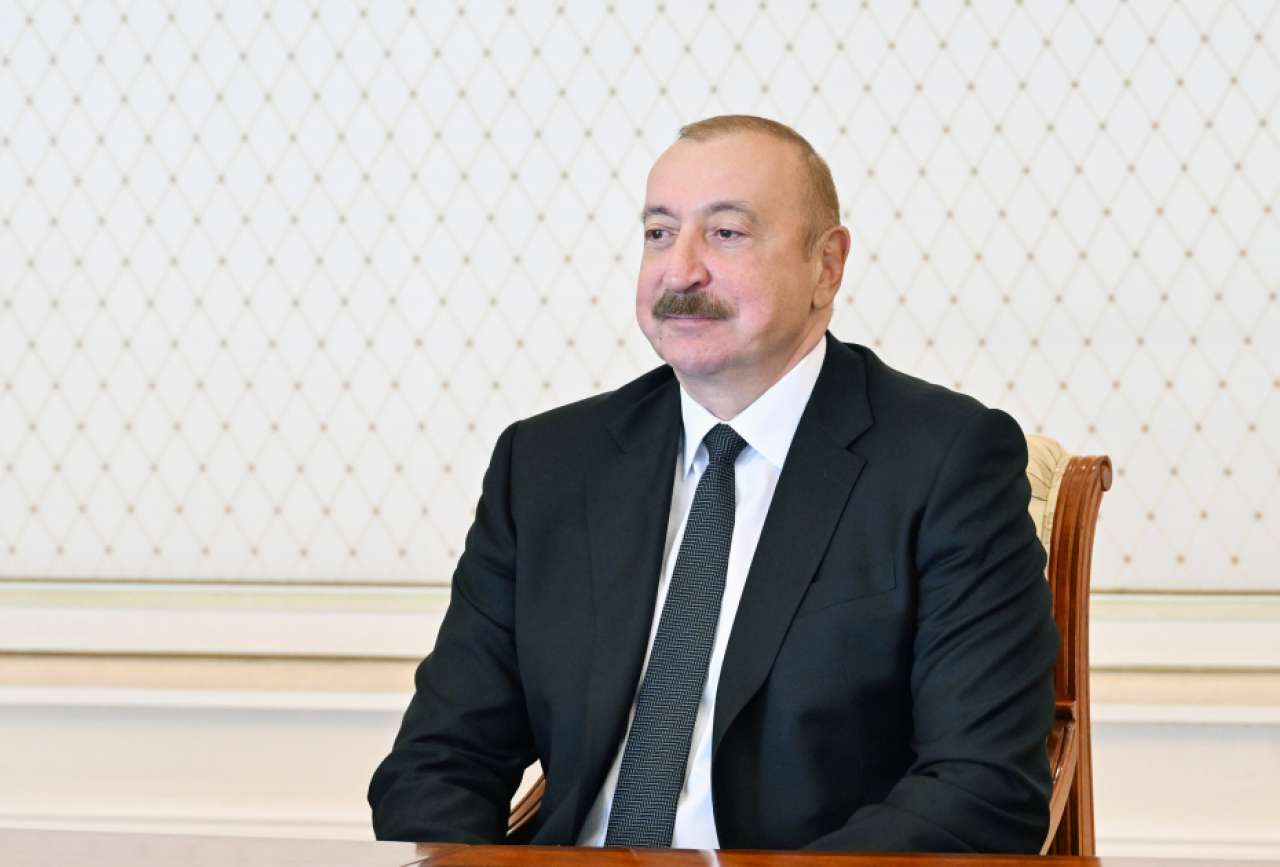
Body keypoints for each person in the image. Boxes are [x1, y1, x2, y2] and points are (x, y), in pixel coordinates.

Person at [368, 115, 1058, 853]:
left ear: (827, 266)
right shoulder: (545, 465)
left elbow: (979, 789)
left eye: (726, 234)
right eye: (660, 233)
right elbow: (438, 762)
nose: (680, 271)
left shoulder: (946, 462)